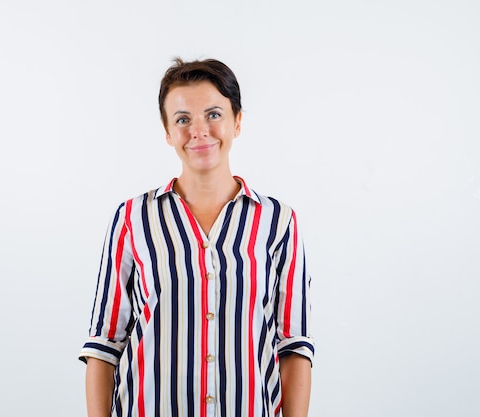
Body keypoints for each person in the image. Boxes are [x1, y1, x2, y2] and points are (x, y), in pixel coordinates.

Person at [79, 58, 314, 417]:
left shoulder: (278, 222)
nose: (199, 131)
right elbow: (104, 345)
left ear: (237, 121)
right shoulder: (132, 219)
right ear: (167, 131)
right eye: (183, 119)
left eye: (214, 114)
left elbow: (293, 346)